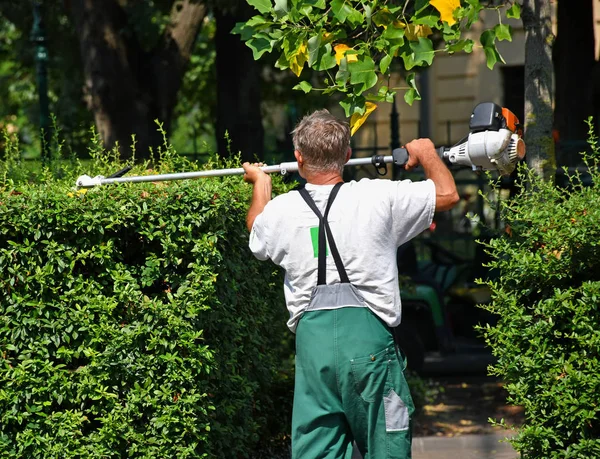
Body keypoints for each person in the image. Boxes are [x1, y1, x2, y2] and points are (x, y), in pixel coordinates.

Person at [242, 109, 459, 459]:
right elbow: (447, 194)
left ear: (298, 158)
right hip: (369, 346)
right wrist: (427, 152)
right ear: (346, 155)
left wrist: (261, 185)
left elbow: (256, 227)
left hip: (314, 355)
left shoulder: (279, 212)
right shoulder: (379, 197)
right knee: (386, 447)